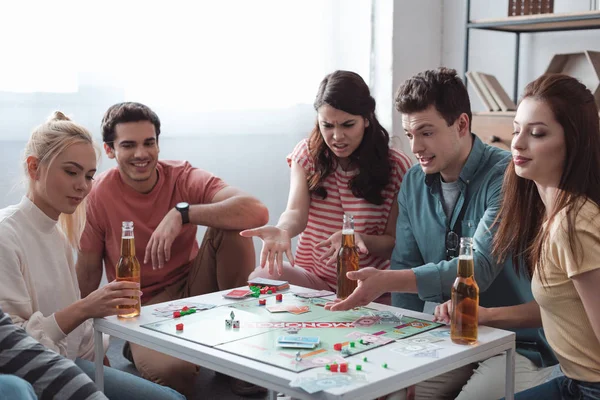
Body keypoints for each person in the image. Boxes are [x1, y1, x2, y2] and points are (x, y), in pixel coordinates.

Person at [326, 68, 557, 400]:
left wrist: (386, 281)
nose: (416, 146)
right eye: (409, 134)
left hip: (518, 341)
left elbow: (477, 269)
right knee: (390, 393)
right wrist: (399, 346)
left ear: (461, 124)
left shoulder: (507, 176)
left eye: (426, 132)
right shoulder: (413, 182)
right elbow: (405, 263)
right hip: (446, 338)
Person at [76, 102, 269, 397]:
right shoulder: (98, 195)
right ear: (109, 150)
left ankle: (236, 343)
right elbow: (88, 273)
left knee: (233, 226)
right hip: (143, 305)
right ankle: (140, 344)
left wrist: (183, 213)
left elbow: (256, 211)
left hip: (195, 285)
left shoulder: (181, 175)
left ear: (157, 144)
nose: (141, 154)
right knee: (175, 373)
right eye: (129, 145)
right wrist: (87, 341)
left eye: (148, 143)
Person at [435, 74, 600, 399]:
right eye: (516, 130)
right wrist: (485, 315)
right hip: (572, 381)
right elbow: (564, 305)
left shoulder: (575, 222)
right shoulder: (550, 211)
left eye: (537, 133)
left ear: (574, 142)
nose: (518, 143)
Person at [0, 112, 184, 400]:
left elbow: (75, 334)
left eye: (88, 176)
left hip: (70, 361)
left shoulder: (58, 236)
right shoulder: (5, 236)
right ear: (34, 168)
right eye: (71, 172)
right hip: (29, 376)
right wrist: (85, 307)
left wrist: (99, 356)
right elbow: (14, 349)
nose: (83, 186)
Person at [242, 70, 412, 297]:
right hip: (314, 279)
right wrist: (283, 230)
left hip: (369, 285)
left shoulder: (396, 166)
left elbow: (394, 244)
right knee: (261, 278)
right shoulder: (307, 154)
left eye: (347, 125)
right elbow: (295, 212)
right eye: (328, 126)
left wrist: (359, 240)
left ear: (367, 119)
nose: (337, 136)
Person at [0, 307, 108, 400]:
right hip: (61, 353)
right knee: (13, 389)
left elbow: (16, 348)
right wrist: (83, 309)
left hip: (69, 356)